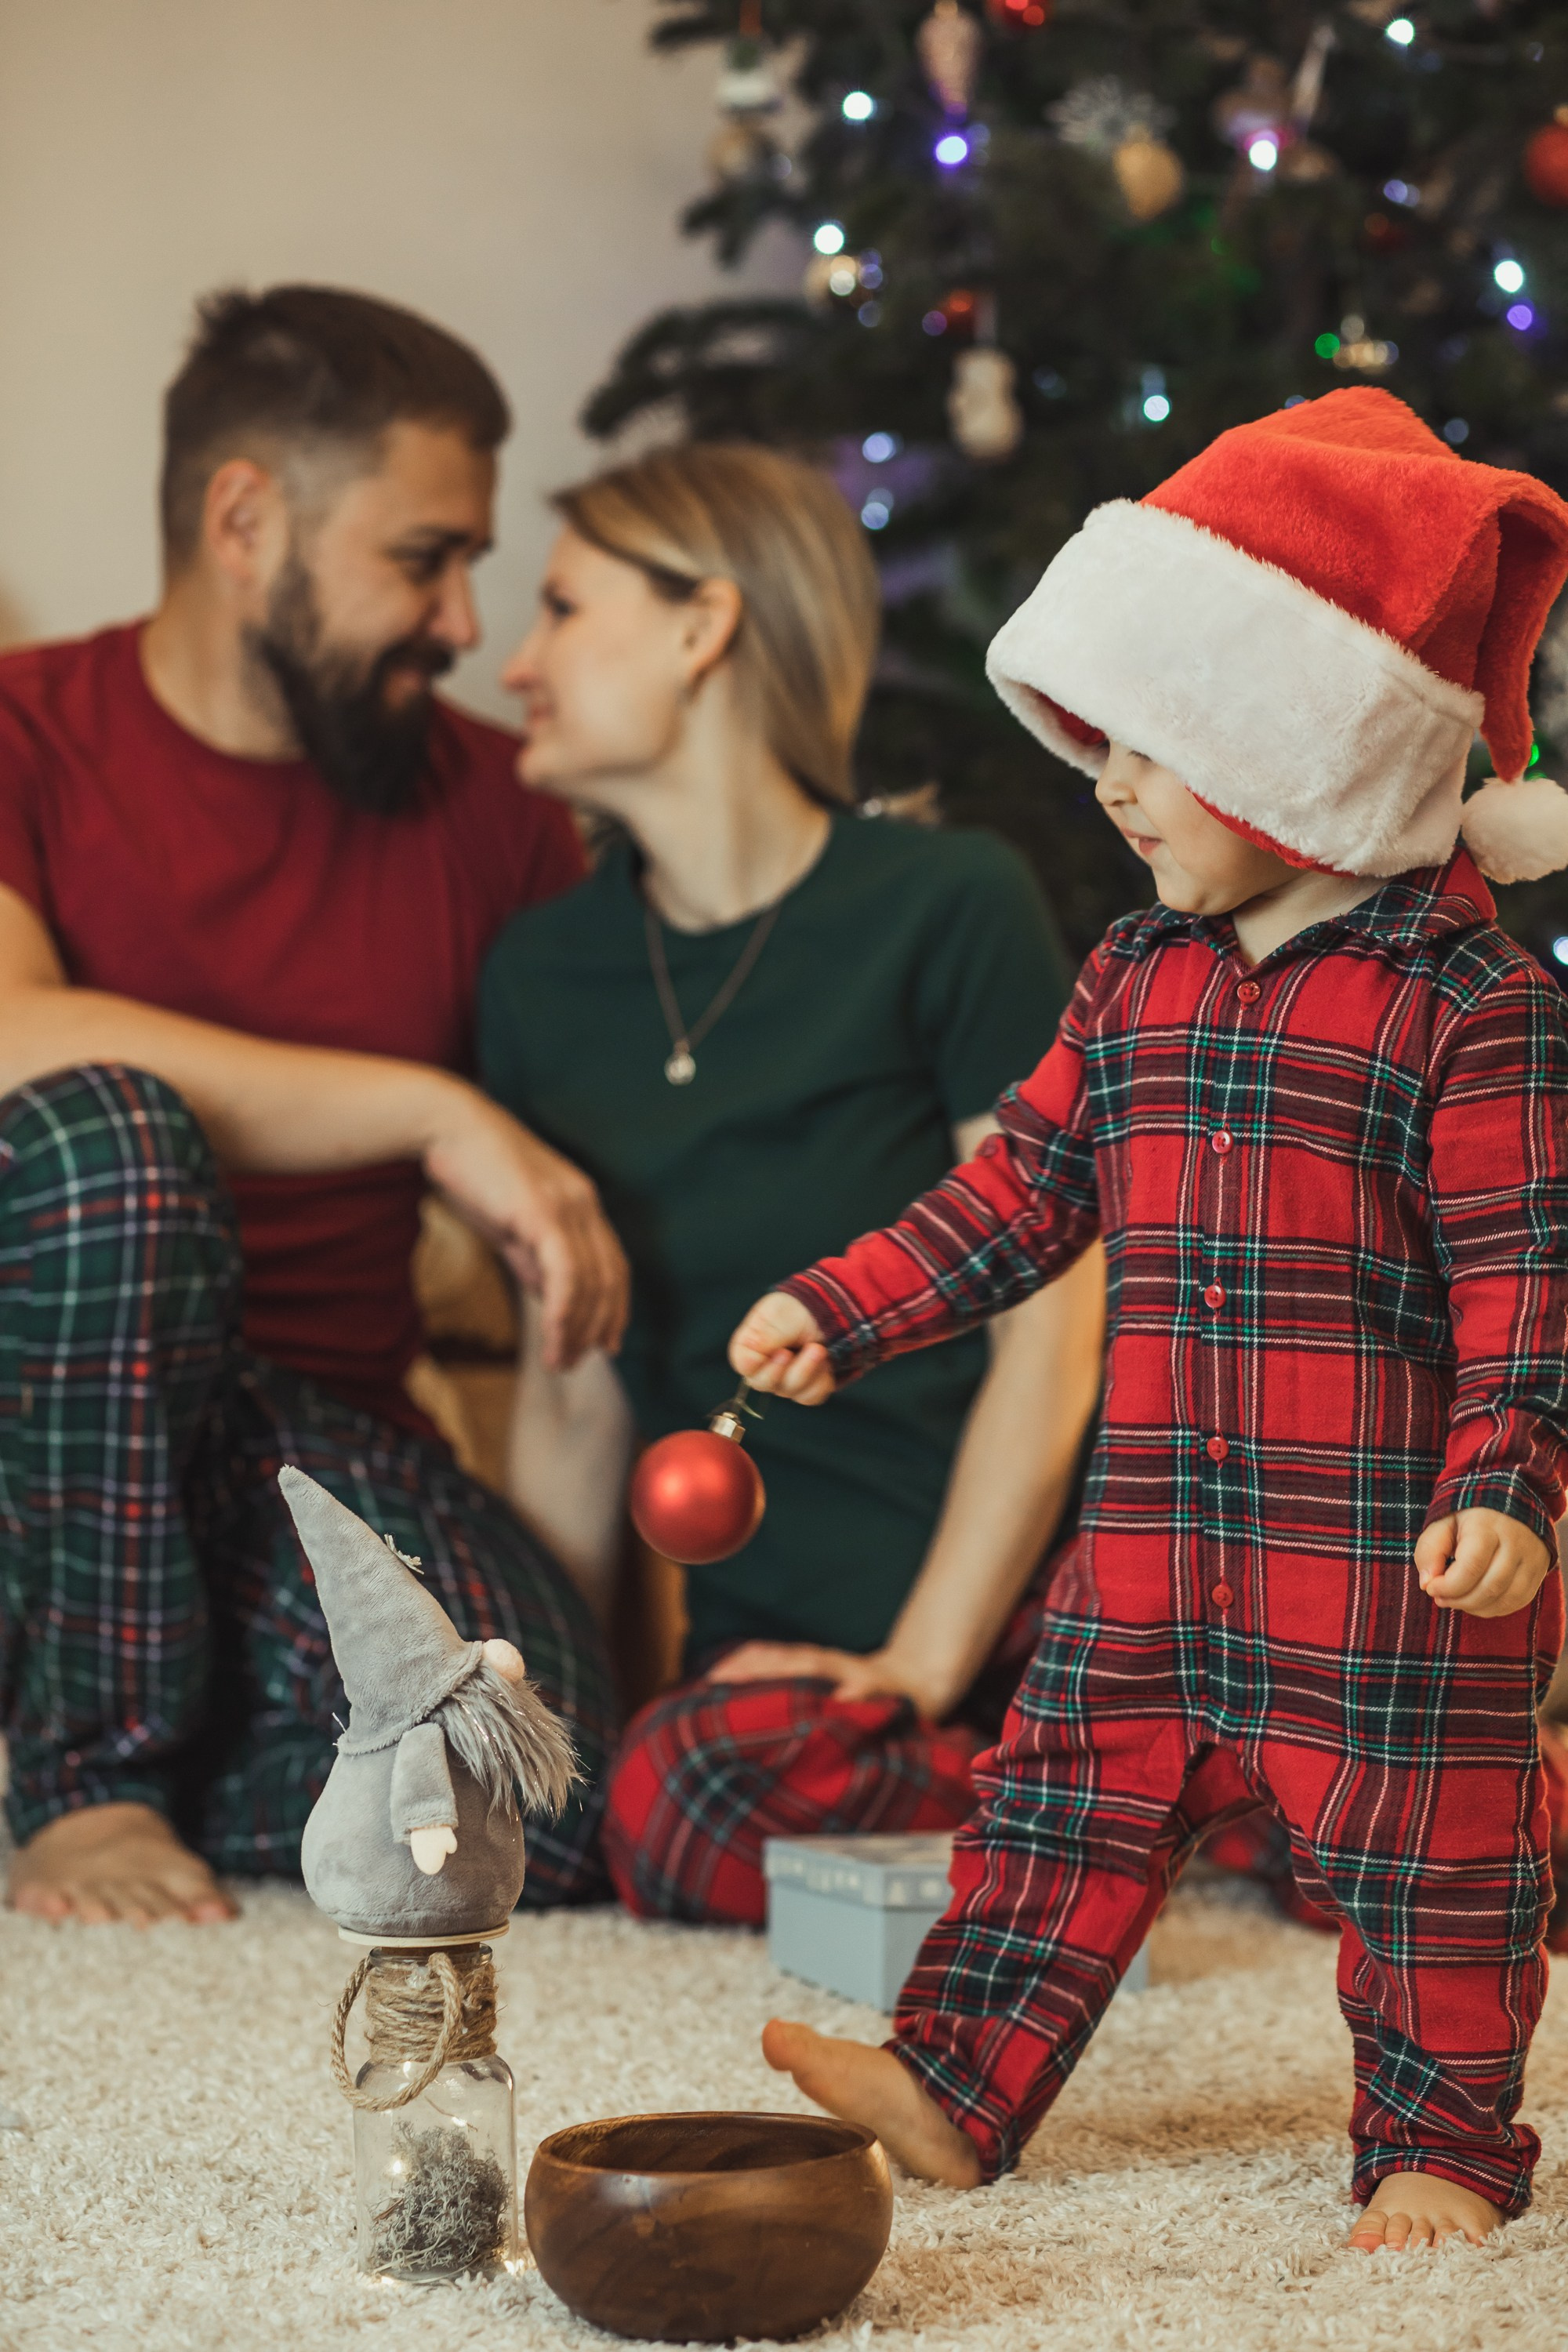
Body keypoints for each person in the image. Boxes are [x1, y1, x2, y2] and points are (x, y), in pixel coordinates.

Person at [731, 391, 1568, 2252]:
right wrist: (841, 1310)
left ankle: (1439, 2142)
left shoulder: (1469, 1004)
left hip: (1376, 1560)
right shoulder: (1134, 976)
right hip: (1149, 1542)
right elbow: (1013, 1196)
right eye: (1097, 742)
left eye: (1154, 746)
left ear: (1299, 745)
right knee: (1053, 1807)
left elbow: (1528, 1278)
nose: (1107, 785)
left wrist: (1505, 1486)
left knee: (1429, 1853)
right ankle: (954, 2084)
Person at [0, 285, 627, 1927]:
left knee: (541, 1793)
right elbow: (8, 1033)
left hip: (307, 1443)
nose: (462, 619)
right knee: (111, 1140)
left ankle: (162, 1743)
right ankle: (88, 1782)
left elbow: (577, 1222)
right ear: (245, 520)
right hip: (42, 1432)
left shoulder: (493, 806)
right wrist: (430, 1112)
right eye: (424, 558)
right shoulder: (23, 732)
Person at [477, 441, 1108, 1926]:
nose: (516, 664)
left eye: (561, 608)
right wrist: (544, 1708)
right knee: (639, 1808)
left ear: (703, 627)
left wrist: (920, 1668)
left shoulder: (947, 905)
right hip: (774, 1687)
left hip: (1037, 1613)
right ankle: (1107, 1820)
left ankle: (1130, 1786)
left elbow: (1056, 1329)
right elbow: (572, 1397)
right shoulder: (538, 978)